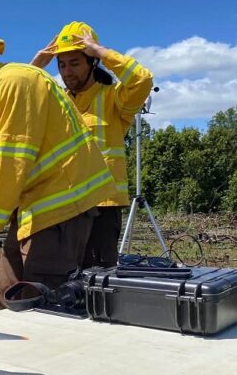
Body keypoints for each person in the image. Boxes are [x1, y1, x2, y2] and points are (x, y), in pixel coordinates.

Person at [0, 27, 116, 308]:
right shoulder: (9, 84)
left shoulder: (13, 82)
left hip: (57, 213)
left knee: (38, 308)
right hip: (38, 212)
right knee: (7, 299)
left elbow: (11, 165)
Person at [31, 21, 154, 267]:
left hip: (102, 209)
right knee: (61, 277)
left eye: (75, 63)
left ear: (92, 62)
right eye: (62, 64)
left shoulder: (113, 97)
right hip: (63, 206)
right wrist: (35, 67)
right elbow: (18, 102)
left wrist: (101, 51)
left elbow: (142, 80)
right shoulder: (58, 100)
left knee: (97, 278)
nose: (67, 71)